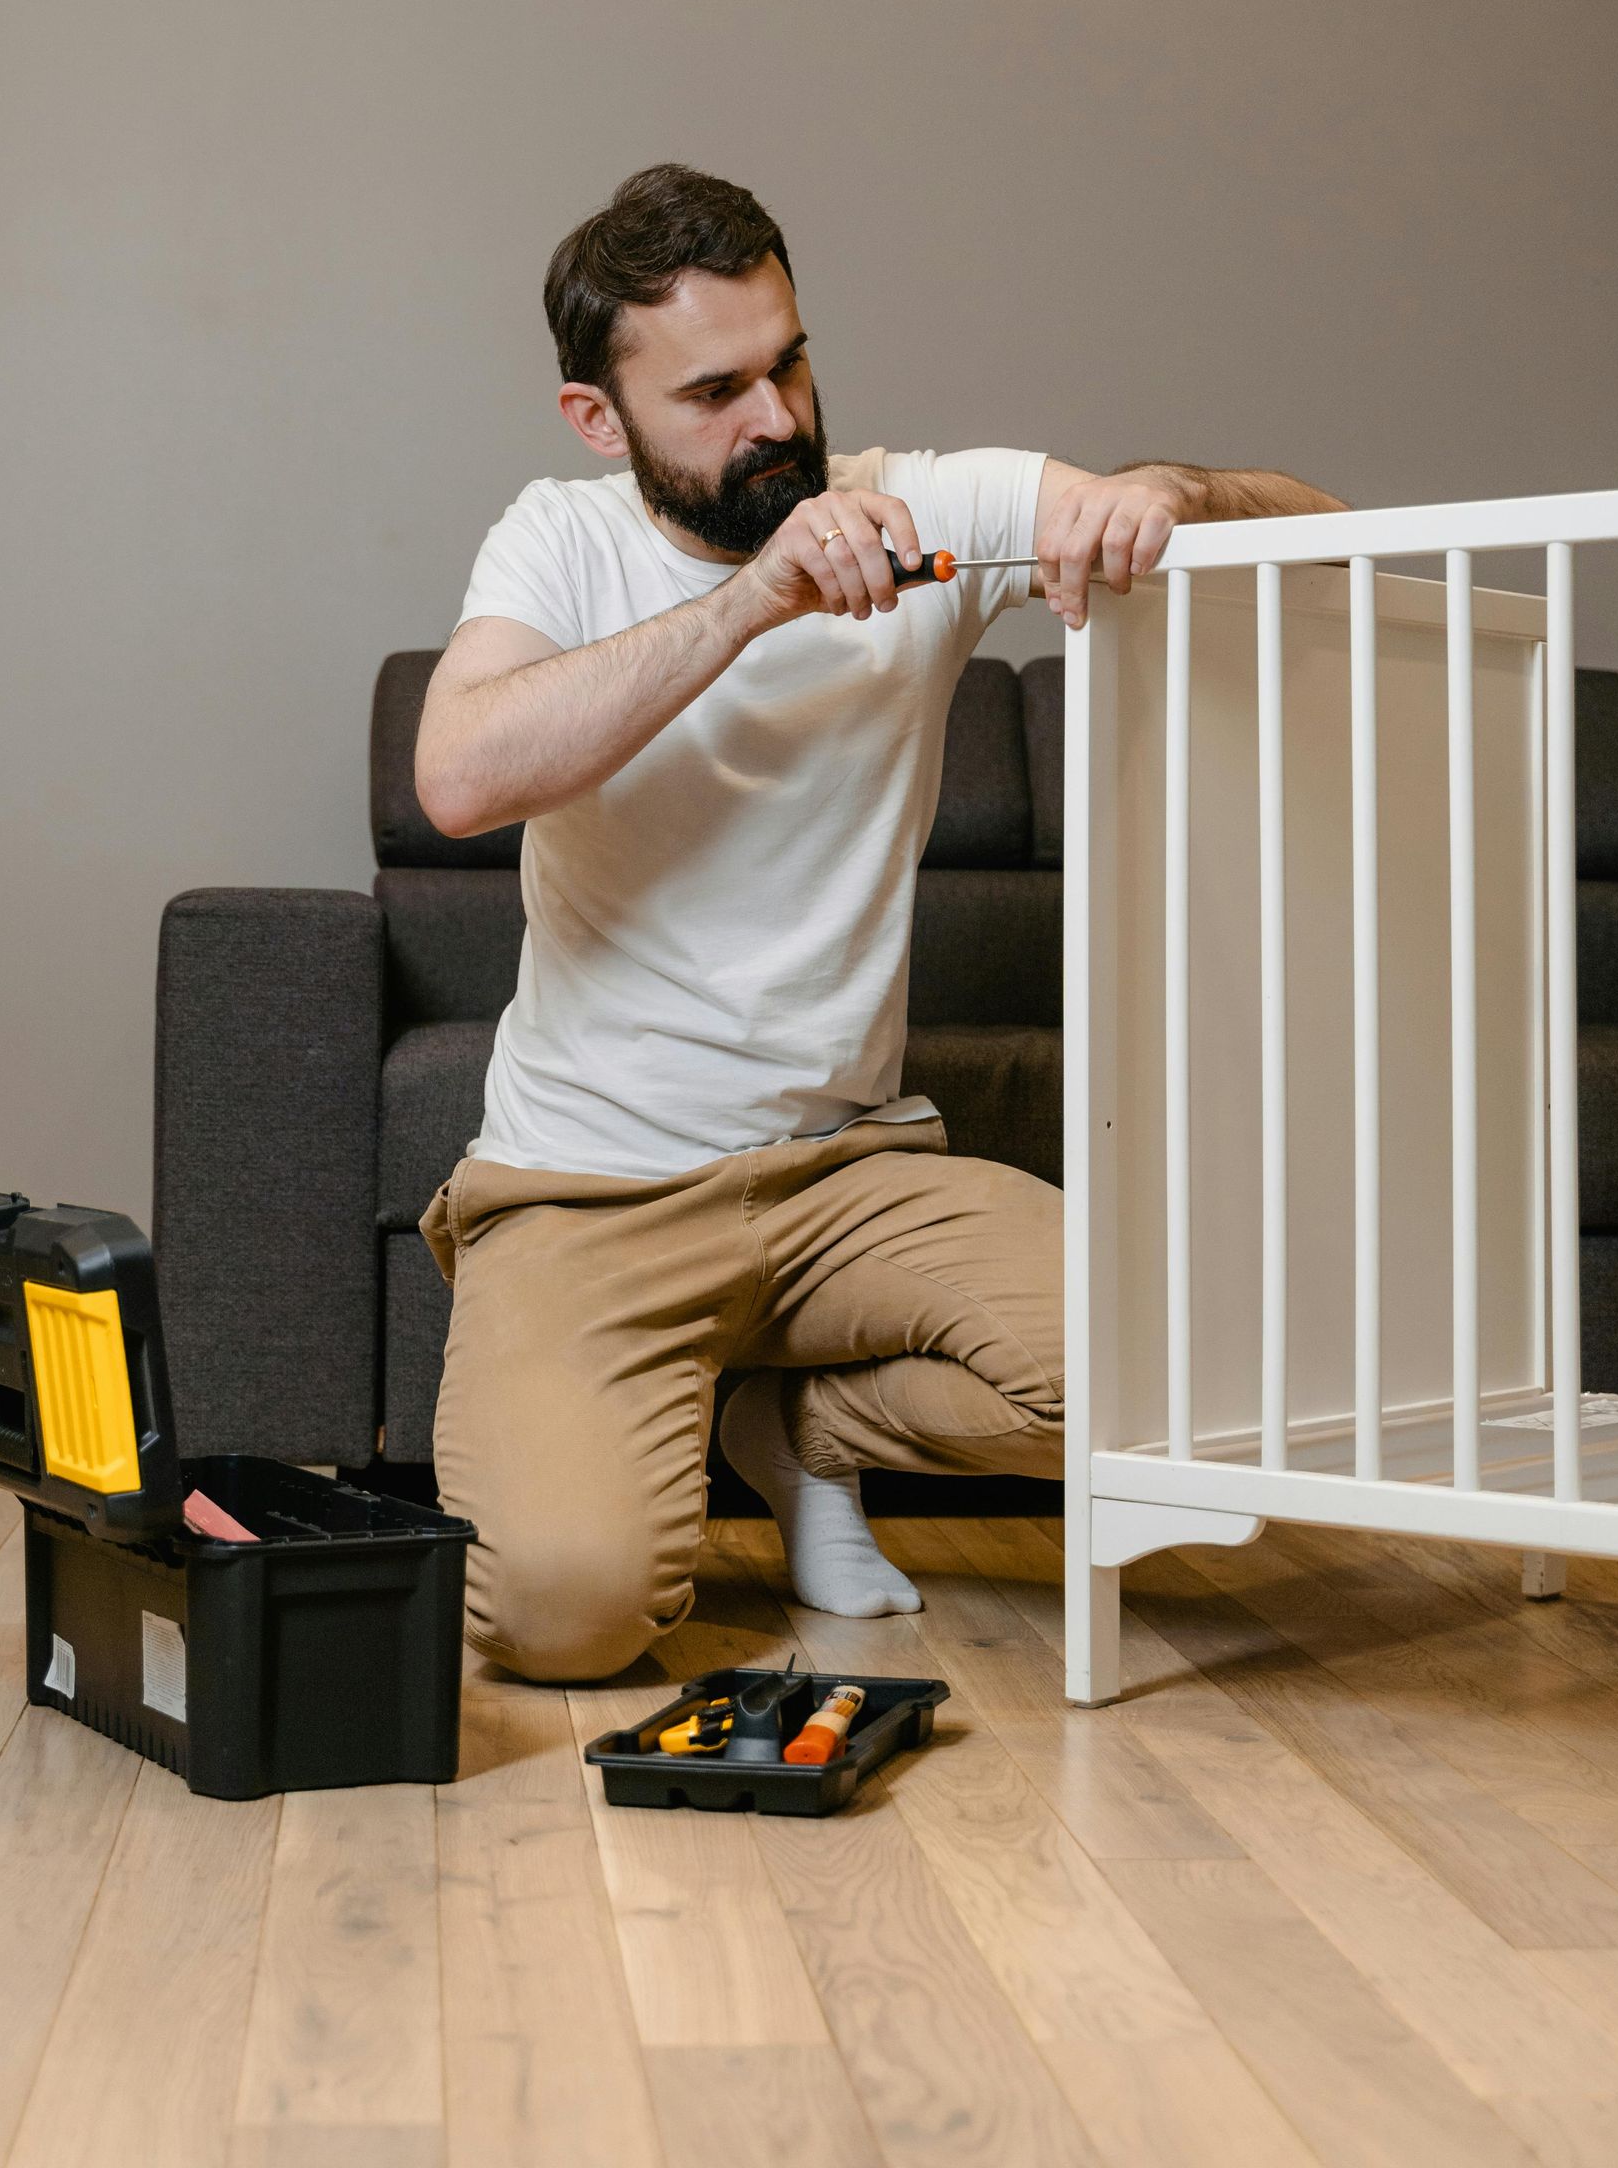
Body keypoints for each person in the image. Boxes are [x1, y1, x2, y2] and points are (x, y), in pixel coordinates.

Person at [414, 164, 1342, 1680]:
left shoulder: (925, 506)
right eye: (714, 389)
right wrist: (751, 603)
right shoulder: (560, 540)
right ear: (603, 418)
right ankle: (706, 1425)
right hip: (589, 1194)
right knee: (562, 1619)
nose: (776, 418)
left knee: (1199, 1372)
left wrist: (1159, 498)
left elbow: (1315, 520)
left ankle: (802, 1428)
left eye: (788, 360)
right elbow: (457, 775)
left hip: (848, 1173)